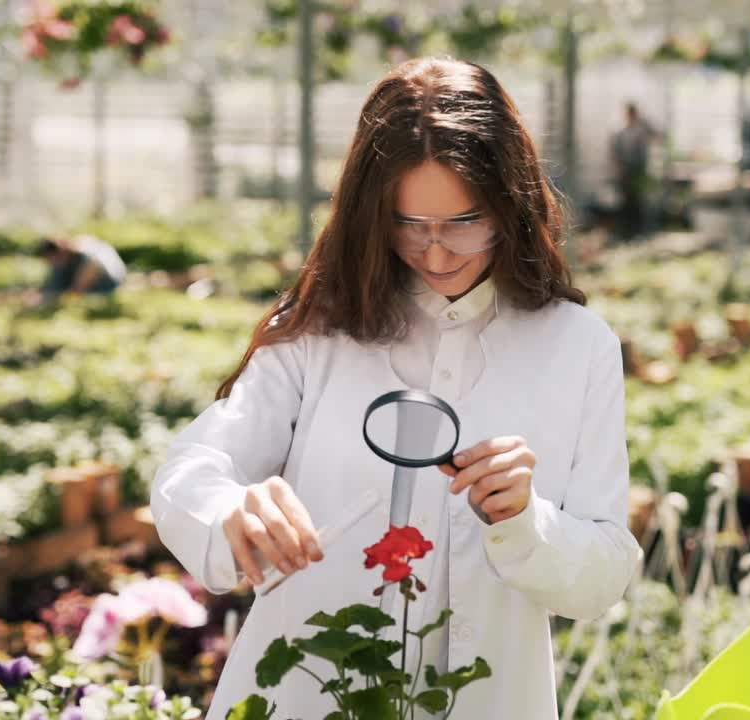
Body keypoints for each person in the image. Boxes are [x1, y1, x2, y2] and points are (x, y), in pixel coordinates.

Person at [151, 58, 640, 720]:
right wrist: (231, 509)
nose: (436, 253)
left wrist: (527, 524)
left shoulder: (575, 346)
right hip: (307, 695)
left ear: (512, 203)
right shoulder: (319, 330)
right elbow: (197, 465)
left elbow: (605, 573)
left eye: (464, 222)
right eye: (410, 226)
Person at [610, 102, 660, 240]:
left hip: (638, 171)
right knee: (625, 202)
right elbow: (616, 154)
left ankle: (638, 231)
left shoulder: (641, 130)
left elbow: (657, 135)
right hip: (626, 171)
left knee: (638, 201)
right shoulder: (620, 131)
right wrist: (619, 171)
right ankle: (625, 232)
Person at [33, 233, 126, 303]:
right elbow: (52, 286)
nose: (52, 264)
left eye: (53, 259)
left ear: (62, 251)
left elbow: (76, 293)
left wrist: (45, 298)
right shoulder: (63, 261)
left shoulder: (89, 259)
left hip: (107, 288)